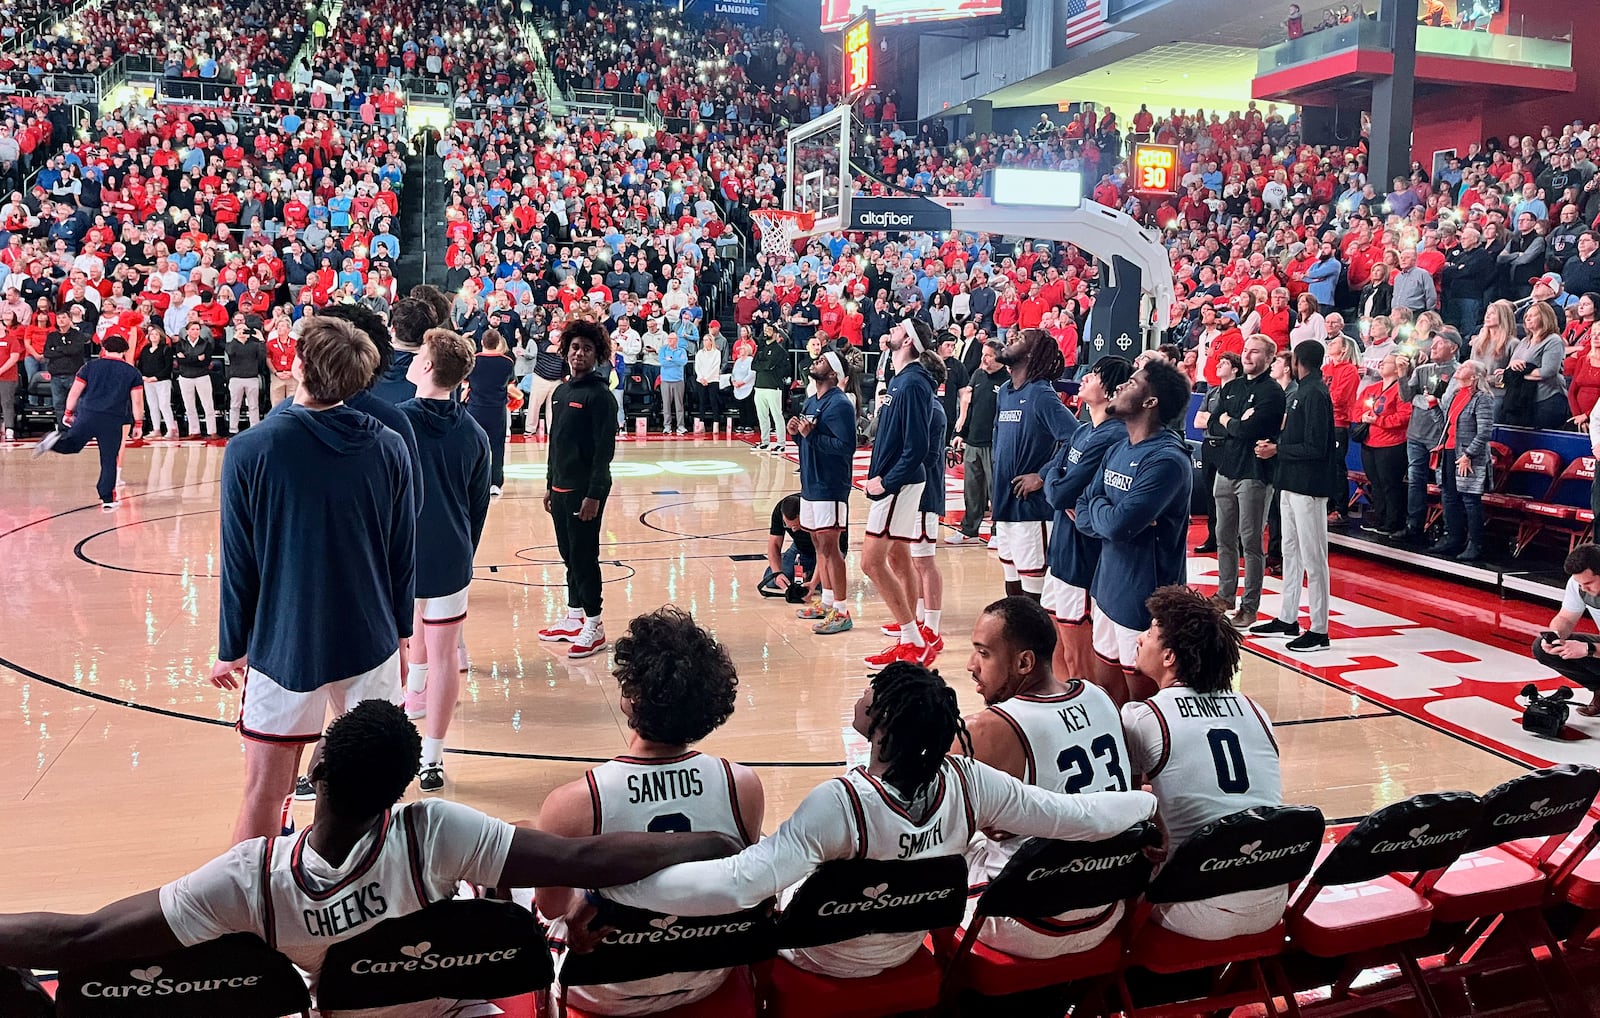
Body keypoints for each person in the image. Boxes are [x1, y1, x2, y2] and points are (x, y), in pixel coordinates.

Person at [0, 700, 743, 1017]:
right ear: (397, 798)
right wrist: (707, 841)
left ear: (313, 775)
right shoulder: (436, 833)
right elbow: (589, 859)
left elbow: (79, 942)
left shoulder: (249, 878)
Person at [605, 662, 1157, 979]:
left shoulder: (838, 802)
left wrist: (618, 889)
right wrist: (1146, 806)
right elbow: (1073, 814)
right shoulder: (969, 779)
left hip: (827, 958)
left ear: (882, 721)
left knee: (768, 888)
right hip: (906, 948)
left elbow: (738, 883)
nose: (863, 688)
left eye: (873, 686)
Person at [208, 315, 416, 843]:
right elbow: (401, 553)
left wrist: (230, 646)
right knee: (371, 791)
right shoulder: (390, 445)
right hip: (370, 639)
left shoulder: (250, 450)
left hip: (285, 642)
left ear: (297, 364)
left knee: (264, 792)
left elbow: (240, 561)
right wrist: (403, 632)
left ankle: (248, 911)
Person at [536, 608, 764, 1015]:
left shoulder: (574, 803)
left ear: (631, 696)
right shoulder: (741, 785)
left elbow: (553, 909)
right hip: (707, 975)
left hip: (606, 992)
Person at [958, 596, 1132, 957]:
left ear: (1024, 662)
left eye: (984, 653)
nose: (971, 665)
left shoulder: (988, 729)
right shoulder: (1099, 697)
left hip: (1031, 922)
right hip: (1106, 910)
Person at [1121, 585, 1284, 939]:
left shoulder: (1143, 716)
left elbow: (1123, 812)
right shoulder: (1257, 711)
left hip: (1195, 907)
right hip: (1273, 899)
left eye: (1149, 633)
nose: (1139, 639)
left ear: (1169, 657)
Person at [400, 328, 492, 794]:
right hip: (451, 555)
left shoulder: (394, 423)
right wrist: (463, 552)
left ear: (428, 367)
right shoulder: (475, 434)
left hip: (400, 556)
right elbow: (478, 508)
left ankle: (399, 724)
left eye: (419, 355)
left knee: (399, 646)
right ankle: (430, 758)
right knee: (443, 658)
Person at [1075, 359, 1194, 703]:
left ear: (1150, 401)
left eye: (1133, 382)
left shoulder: (1168, 459)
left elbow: (1116, 525)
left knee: (1141, 706)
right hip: (1107, 587)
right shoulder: (1118, 446)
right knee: (1108, 699)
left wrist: (1106, 516)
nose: (1123, 385)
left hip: (1144, 600)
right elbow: (1085, 510)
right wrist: (1108, 516)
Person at [1042, 356, 1133, 698]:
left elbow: (1061, 490)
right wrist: (1055, 481)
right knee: (1057, 646)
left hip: (1082, 557)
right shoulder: (1082, 429)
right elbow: (1053, 473)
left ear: (1109, 391)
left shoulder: (1112, 435)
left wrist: (1055, 483)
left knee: (1080, 653)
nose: (1083, 378)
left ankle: (1084, 714)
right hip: (1061, 551)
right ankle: (1062, 704)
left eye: (1093, 375)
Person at [538, 319, 619, 660]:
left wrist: (594, 495)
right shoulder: (561, 392)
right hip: (559, 489)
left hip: (584, 493)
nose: (579, 354)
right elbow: (556, 445)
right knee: (568, 555)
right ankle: (574, 617)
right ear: (566, 351)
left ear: (597, 354)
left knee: (584, 558)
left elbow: (604, 453)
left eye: (587, 349)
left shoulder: (600, 397)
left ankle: (595, 625)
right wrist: (548, 485)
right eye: (575, 348)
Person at [1250, 341, 1335, 651]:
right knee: (1291, 551)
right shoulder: (1302, 391)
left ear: (1298, 360)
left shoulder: (1315, 393)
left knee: (1314, 557)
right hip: (1290, 482)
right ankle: (1288, 618)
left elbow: (1316, 447)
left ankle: (1320, 629)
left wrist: (1278, 450)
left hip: (1309, 486)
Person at [861, 318, 937, 667]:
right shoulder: (902, 380)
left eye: (897, 328)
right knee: (897, 558)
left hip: (901, 483)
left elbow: (917, 446)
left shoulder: (913, 384)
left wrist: (886, 481)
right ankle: (911, 637)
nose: (890, 330)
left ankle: (916, 641)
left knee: (870, 562)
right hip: (898, 479)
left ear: (907, 340)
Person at [991, 327, 1079, 599]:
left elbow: (1075, 438)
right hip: (1005, 503)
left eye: (1019, 339)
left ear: (1030, 354)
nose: (1010, 339)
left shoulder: (1042, 394)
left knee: (1034, 593)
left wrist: (1042, 475)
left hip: (1032, 509)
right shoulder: (1005, 391)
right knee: (1012, 585)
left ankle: (1040, 643)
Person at [1208, 335, 1286, 627]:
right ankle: (1225, 595)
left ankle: (1250, 605)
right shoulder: (1233, 387)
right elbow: (1212, 422)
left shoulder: (1272, 392)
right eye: (1245, 351)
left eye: (1255, 352)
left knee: (1250, 541)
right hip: (1227, 469)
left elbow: (1251, 428)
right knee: (1223, 536)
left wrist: (1232, 421)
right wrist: (1234, 422)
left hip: (1254, 473)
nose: (1248, 355)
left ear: (1269, 358)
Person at [31, 335, 144, 509]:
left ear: (104, 349)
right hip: (112, 420)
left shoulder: (89, 367)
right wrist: (138, 424)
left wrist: (68, 412)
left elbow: (75, 392)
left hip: (87, 415)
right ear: (124, 351)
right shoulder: (131, 372)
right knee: (108, 459)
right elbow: (137, 401)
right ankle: (107, 499)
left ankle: (53, 441)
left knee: (72, 445)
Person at [791, 350, 857, 635]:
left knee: (831, 548)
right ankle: (827, 601)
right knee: (818, 545)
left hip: (830, 484)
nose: (815, 361)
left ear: (833, 374)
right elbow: (808, 441)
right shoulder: (811, 400)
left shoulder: (840, 404)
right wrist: (797, 433)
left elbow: (846, 447)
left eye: (823, 362)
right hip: (811, 482)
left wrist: (811, 435)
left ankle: (842, 611)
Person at [1431, 360, 1497, 562]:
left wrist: (1468, 454)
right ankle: (1452, 537)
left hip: (1469, 456)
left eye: (1465, 366)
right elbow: (1445, 424)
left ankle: (1475, 543)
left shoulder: (1482, 399)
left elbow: (1484, 431)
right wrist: (1434, 406)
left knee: (1470, 499)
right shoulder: (1454, 396)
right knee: (1448, 496)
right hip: (1449, 451)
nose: (1459, 368)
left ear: (1475, 376)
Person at [1399, 330, 1460, 542]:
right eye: (1432, 343)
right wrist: (1402, 374)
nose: (1432, 347)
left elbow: (1446, 405)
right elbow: (1407, 396)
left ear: (1453, 348)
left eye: (1439, 344)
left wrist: (1423, 400)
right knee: (1415, 481)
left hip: (1440, 437)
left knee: (1445, 484)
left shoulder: (1459, 373)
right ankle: (1413, 526)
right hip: (1416, 433)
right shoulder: (1422, 370)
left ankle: (1446, 531)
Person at [949, 340, 1005, 546]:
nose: (984, 358)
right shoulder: (978, 376)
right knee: (972, 489)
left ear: (1000, 357)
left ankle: (997, 531)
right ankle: (969, 529)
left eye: (989, 355)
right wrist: (961, 432)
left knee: (994, 490)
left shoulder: (1007, 380)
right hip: (972, 441)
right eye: (983, 354)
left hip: (993, 444)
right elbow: (968, 406)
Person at [1533, 544, 1600, 717]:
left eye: (1588, 583)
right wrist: (1556, 636)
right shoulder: (1578, 584)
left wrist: (1588, 649)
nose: (1583, 589)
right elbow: (1566, 619)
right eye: (1579, 583)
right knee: (1542, 648)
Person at [1357, 353, 1414, 537]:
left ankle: (1393, 521)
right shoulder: (1371, 388)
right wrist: (1362, 417)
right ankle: (1379, 518)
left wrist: (1378, 420)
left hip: (1391, 443)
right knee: (1375, 483)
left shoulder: (1401, 390)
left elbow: (1405, 416)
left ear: (1397, 368)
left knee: (1390, 484)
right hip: (1369, 442)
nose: (1380, 364)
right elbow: (1357, 408)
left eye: (1386, 362)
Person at [1192, 351, 1241, 554]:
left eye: (1224, 363)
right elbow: (1197, 421)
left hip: (1227, 446)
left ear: (1235, 369)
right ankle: (1213, 537)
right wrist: (1218, 419)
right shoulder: (1211, 392)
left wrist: (1212, 419)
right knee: (1210, 494)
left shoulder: (1239, 392)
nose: (1219, 365)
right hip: (1208, 445)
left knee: (1229, 495)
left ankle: (1233, 538)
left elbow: (1233, 425)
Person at [465, 328, 515, 496]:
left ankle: (471, 481)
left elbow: (465, 386)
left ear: (482, 342)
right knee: (497, 447)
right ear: (499, 343)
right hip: (497, 411)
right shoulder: (507, 362)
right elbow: (511, 387)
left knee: (473, 446)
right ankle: (495, 483)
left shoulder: (473, 361)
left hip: (474, 409)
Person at [1506, 302, 1569, 430]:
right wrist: (1513, 365)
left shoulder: (1553, 340)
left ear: (1544, 317)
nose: (1527, 318)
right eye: (1526, 316)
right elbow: (1509, 369)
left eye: (1533, 315)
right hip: (1524, 400)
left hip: (1548, 400)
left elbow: (1547, 371)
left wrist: (1518, 374)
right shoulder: (1524, 341)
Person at [173, 320, 218, 437]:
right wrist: (197, 358)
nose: (195, 331)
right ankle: (194, 431)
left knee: (208, 405)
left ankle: (212, 431)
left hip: (202, 376)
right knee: (189, 406)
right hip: (185, 377)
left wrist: (188, 359)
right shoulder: (180, 344)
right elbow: (180, 361)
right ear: (187, 331)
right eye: (192, 329)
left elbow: (206, 362)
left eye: (197, 329)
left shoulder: (206, 344)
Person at [225, 317, 266, 433]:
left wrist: (261, 340)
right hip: (236, 378)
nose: (243, 332)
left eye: (245, 330)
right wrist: (235, 338)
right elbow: (230, 353)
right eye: (240, 330)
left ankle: (255, 428)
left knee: (253, 406)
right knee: (234, 405)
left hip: (251, 378)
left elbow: (262, 357)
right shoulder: (232, 344)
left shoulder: (254, 344)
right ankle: (233, 429)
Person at [752, 324, 788, 452]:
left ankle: (781, 443)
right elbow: (754, 365)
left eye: (769, 330)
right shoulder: (761, 348)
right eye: (765, 330)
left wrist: (763, 365)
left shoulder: (779, 350)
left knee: (777, 415)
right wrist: (764, 365)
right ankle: (764, 441)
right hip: (759, 386)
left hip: (773, 387)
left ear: (776, 334)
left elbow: (769, 365)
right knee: (762, 416)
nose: (766, 332)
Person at [659, 329, 689, 435]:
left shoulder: (682, 351)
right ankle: (667, 426)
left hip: (678, 380)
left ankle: (681, 426)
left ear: (676, 340)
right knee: (666, 405)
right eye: (669, 339)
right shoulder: (663, 349)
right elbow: (662, 362)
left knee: (679, 405)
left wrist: (671, 359)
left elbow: (683, 362)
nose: (670, 341)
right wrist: (674, 361)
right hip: (665, 380)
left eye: (672, 339)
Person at [693, 332, 723, 432]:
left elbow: (716, 366)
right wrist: (701, 377)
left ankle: (716, 423)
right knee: (702, 401)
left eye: (706, 340)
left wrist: (707, 378)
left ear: (711, 341)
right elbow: (697, 366)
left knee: (713, 401)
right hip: (701, 380)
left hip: (713, 379)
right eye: (704, 340)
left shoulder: (717, 353)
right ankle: (701, 424)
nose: (704, 342)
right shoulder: (700, 353)